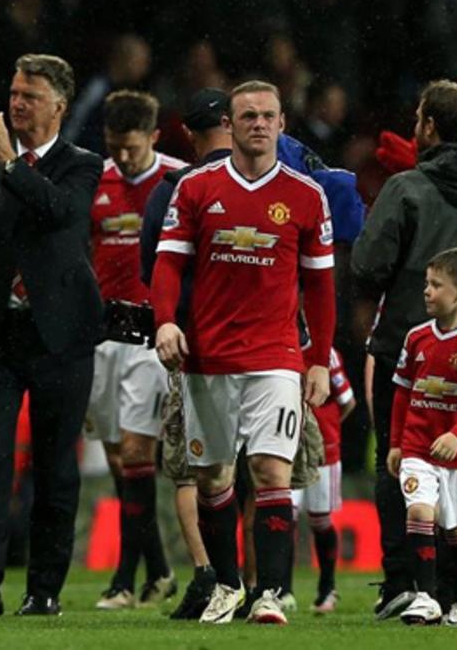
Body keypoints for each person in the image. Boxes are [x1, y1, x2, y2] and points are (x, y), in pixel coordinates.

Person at [151, 80, 336, 626]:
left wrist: (319, 358)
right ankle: (227, 587)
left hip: (276, 357)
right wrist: (165, 322)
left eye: (268, 115)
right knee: (213, 479)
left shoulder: (306, 195)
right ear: (229, 125)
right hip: (207, 357)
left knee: (271, 470)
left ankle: (272, 592)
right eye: (248, 115)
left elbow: (322, 287)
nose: (258, 124)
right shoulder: (196, 189)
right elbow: (168, 265)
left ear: (282, 124)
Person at [352, 80, 457, 620]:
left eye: (420, 118)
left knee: (398, 459)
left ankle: (404, 583)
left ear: (430, 128)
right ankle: (455, 592)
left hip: (410, 349)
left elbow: (365, 268)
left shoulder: (405, 189)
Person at [0, 54, 103, 617]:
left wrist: (7, 164)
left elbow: (60, 213)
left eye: (29, 96)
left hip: (60, 335)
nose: (15, 104)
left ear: (59, 105)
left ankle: (44, 589)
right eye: (13, 93)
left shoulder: (82, 164)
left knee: (56, 465)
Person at [86, 90, 185, 610]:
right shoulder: (93, 180)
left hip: (150, 335)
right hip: (102, 336)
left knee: (136, 452)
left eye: (131, 147)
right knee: (117, 460)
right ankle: (161, 572)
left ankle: (124, 579)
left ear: (153, 137)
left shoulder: (178, 181)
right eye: (114, 147)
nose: (122, 157)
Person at [138, 87, 232, 621]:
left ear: (187, 135)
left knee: (193, 468)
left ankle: (210, 574)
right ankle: (269, 584)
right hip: (265, 347)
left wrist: (169, 321)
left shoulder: (172, 189)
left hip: (191, 345)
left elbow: (154, 269)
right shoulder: (285, 178)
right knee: (266, 469)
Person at [387, 248, 457, 627]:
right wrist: (396, 443)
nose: (427, 291)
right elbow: (403, 392)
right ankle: (426, 597)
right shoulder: (416, 338)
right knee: (420, 511)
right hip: (418, 448)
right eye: (426, 283)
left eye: (436, 285)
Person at [291, 344, 356, 615]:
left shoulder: (325, 353)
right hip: (288, 451)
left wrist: (323, 430)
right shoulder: (278, 343)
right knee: (285, 516)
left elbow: (347, 402)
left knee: (320, 519)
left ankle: (327, 587)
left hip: (323, 453)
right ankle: (280, 589)